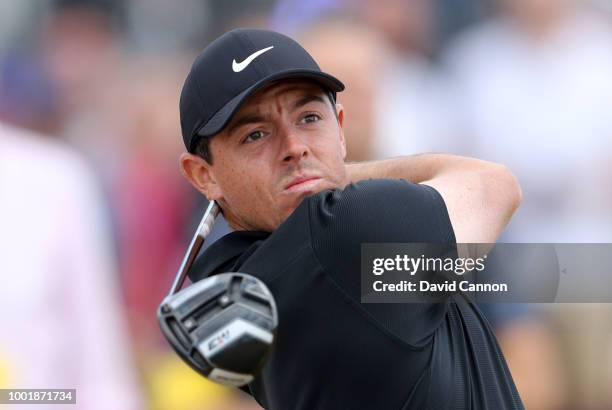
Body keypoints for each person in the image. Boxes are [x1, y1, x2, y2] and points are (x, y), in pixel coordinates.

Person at [176, 28, 523, 410]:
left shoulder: (232, 277)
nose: (294, 147)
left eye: (308, 118)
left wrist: (311, 177)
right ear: (203, 175)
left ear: (339, 127)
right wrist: (333, 171)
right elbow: (496, 185)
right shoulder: (349, 228)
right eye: (255, 135)